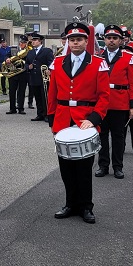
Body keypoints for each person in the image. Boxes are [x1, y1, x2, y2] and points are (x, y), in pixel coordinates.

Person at [47, 22, 110, 224]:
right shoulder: (57, 63)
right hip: (63, 119)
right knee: (65, 166)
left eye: (79, 39)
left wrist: (93, 119)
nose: (75, 42)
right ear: (68, 42)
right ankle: (70, 204)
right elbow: (52, 94)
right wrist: (51, 120)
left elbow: (104, 96)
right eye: (72, 39)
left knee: (84, 167)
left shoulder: (98, 63)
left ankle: (86, 206)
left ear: (86, 41)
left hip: (85, 119)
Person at [94, 25, 133, 179]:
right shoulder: (97, 57)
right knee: (102, 136)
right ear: (104, 40)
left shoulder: (128, 57)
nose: (111, 40)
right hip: (101, 104)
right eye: (109, 38)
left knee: (118, 137)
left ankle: (118, 167)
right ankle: (103, 166)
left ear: (121, 41)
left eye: (115, 38)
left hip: (120, 103)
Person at [25, 32, 54, 122]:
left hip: (43, 78)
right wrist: (28, 67)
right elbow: (26, 63)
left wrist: (49, 69)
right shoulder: (30, 52)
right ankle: (39, 114)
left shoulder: (47, 51)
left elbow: (52, 63)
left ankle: (47, 114)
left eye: (35, 40)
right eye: (32, 40)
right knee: (37, 97)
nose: (33, 42)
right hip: (34, 78)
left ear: (40, 41)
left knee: (45, 97)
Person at [6, 35, 29, 114]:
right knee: (12, 91)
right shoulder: (14, 49)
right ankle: (12, 108)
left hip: (23, 73)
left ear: (26, 44)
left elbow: (30, 60)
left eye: (23, 43)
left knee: (22, 91)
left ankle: (21, 108)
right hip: (13, 73)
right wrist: (7, 59)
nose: (22, 44)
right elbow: (7, 55)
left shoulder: (28, 51)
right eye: (21, 42)